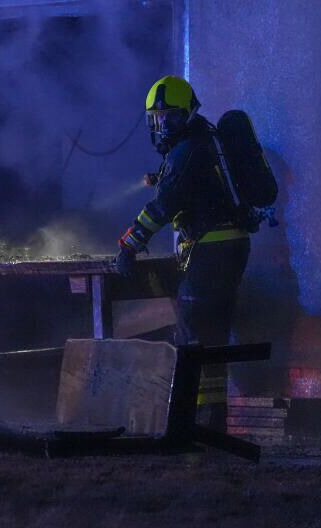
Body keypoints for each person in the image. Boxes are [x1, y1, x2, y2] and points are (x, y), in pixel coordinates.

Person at [114, 75, 250, 430]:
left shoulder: (186, 151)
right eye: (157, 119)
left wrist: (129, 244)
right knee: (212, 338)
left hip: (211, 253)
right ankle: (212, 421)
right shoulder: (202, 141)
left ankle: (197, 423)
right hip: (229, 248)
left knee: (193, 336)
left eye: (170, 117)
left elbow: (161, 208)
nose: (163, 126)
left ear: (187, 114)